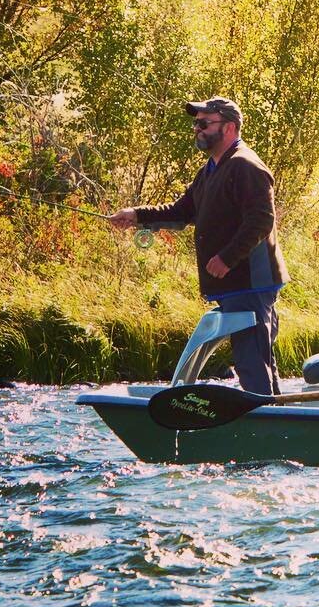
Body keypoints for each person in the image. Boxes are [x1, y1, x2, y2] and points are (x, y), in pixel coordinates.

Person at [108, 97, 286, 395]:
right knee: (257, 362)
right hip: (237, 286)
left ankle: (269, 426)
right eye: (196, 124)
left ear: (229, 128)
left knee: (252, 364)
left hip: (252, 285)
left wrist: (227, 258)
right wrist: (136, 215)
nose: (197, 129)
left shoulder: (245, 166)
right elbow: (181, 211)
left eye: (204, 123)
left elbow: (261, 221)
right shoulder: (211, 170)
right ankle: (276, 420)